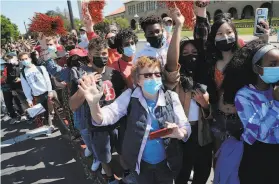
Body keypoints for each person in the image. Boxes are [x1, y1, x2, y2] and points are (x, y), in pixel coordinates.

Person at [79, 56, 191, 184]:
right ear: (138, 80)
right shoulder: (130, 96)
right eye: (147, 75)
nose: (153, 78)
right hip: (141, 165)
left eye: (157, 74)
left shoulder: (171, 97)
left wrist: (180, 133)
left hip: (167, 163)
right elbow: (105, 117)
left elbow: (185, 126)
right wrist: (94, 105)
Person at [194, 4, 270, 154]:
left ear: (235, 34)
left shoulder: (245, 58)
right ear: (213, 37)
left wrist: (264, 38)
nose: (226, 36)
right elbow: (200, 37)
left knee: (241, 162)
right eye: (220, 33)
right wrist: (201, 11)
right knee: (219, 158)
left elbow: (263, 62)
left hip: (242, 119)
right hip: (218, 118)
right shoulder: (210, 61)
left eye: (229, 32)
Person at [162, 7, 213, 184]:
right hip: (181, 135)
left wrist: (205, 105)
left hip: (203, 136)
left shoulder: (206, 77)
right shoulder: (175, 80)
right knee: (181, 176)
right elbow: (171, 64)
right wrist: (178, 26)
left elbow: (214, 114)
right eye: (185, 54)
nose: (190, 57)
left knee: (202, 175)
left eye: (194, 53)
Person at [68, 36, 126, 183]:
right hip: (97, 126)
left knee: (122, 151)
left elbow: (124, 96)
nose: (102, 57)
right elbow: (72, 105)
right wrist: (84, 88)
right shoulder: (83, 77)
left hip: (117, 122)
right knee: (104, 156)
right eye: (97, 54)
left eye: (104, 53)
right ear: (89, 56)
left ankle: (126, 173)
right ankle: (109, 177)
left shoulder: (115, 74)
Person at [222, 39, 279, 184]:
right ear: (257, 68)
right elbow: (259, 133)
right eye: (272, 65)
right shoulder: (244, 95)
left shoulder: (275, 88)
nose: (277, 68)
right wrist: (276, 103)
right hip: (257, 157)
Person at [18, 52, 56, 135]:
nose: (25, 61)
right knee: (46, 113)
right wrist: (29, 100)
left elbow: (47, 80)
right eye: (22, 60)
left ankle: (58, 126)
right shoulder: (23, 73)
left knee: (53, 111)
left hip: (47, 92)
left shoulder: (40, 68)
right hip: (38, 96)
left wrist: (50, 91)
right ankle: (51, 126)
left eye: (26, 58)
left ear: (30, 59)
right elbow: (26, 87)